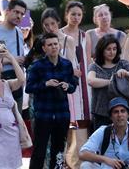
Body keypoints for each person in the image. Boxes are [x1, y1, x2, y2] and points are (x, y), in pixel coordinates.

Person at [26, 32, 79, 169]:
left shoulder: (66, 64)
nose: (53, 47)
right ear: (44, 48)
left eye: (55, 44)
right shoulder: (37, 66)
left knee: (59, 150)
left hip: (62, 113)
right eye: (50, 45)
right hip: (44, 114)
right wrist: (45, 84)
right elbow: (29, 88)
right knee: (39, 150)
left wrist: (68, 86)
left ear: (59, 45)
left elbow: (73, 86)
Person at [80, 96, 129, 169]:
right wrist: (106, 160)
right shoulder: (103, 131)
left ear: (128, 115)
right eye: (116, 112)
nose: (120, 115)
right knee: (86, 165)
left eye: (123, 111)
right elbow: (82, 154)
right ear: (111, 116)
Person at [60, 0, 92, 166]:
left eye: (79, 14)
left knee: (80, 128)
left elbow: (87, 62)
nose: (76, 17)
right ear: (66, 15)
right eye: (73, 14)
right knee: (64, 127)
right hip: (63, 85)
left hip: (81, 88)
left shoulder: (84, 36)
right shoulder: (59, 35)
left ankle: (78, 164)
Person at [87, 35, 129, 130]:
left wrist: (126, 73)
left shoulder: (123, 63)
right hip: (101, 112)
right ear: (101, 50)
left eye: (114, 49)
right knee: (103, 141)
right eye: (108, 49)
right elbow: (91, 81)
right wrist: (112, 82)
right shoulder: (94, 66)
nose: (112, 52)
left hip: (123, 111)